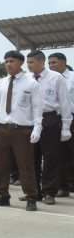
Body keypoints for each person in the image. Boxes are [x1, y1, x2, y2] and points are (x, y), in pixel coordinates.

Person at [0, 51, 43, 211]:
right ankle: (3, 195)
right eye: (6, 61)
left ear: (20, 63)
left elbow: (37, 108)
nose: (8, 64)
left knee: (26, 165)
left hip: (22, 130)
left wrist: (37, 128)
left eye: (12, 61)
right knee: (2, 165)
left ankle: (31, 197)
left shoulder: (31, 84)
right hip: (2, 129)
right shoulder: (0, 84)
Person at [26, 50, 71, 204]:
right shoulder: (27, 79)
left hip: (49, 120)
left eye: (31, 62)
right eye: (27, 62)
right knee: (31, 158)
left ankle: (49, 192)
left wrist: (66, 126)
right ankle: (33, 191)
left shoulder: (55, 77)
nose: (28, 65)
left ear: (41, 62)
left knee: (51, 158)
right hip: (30, 121)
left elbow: (65, 103)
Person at [47, 52, 74, 197]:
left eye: (54, 62)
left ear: (63, 62)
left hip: (72, 118)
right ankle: (62, 186)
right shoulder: (49, 80)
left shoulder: (72, 78)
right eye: (49, 63)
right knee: (59, 154)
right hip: (55, 119)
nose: (51, 66)